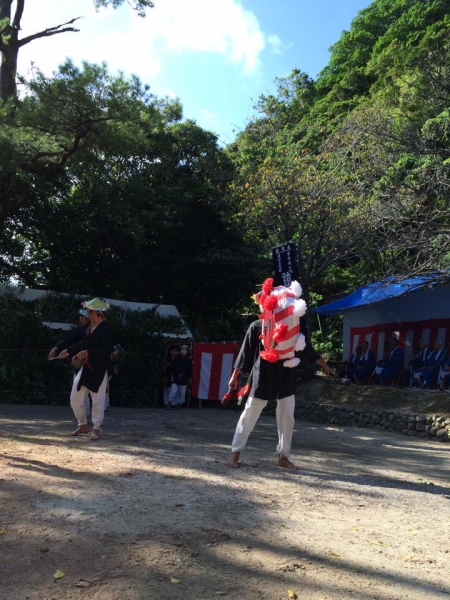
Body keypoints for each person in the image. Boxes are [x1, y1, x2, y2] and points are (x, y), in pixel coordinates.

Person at [227, 278, 332, 470]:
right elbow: (245, 354)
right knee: (250, 410)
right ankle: (235, 453)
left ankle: (283, 456)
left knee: (287, 415)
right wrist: (235, 376)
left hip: (286, 369)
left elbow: (306, 347)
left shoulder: (293, 326)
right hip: (264, 370)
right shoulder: (258, 326)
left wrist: (323, 364)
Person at [58, 298, 113, 441]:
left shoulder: (106, 329)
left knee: (97, 401)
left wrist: (88, 352)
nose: (87, 314)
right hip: (86, 368)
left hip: (99, 370)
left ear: (97, 313)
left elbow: (106, 351)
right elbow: (82, 344)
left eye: (90, 311)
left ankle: (96, 428)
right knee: (75, 398)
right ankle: (82, 424)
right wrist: (68, 351)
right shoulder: (90, 328)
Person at [48, 308, 92, 417]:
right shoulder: (95, 330)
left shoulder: (84, 330)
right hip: (94, 363)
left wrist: (56, 348)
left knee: (80, 389)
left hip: (83, 363)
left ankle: (83, 417)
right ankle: (87, 416)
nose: (80, 319)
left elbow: (69, 340)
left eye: (82, 317)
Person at [167, 345, 192, 409]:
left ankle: (180, 404)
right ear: (180, 351)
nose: (183, 351)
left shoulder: (188, 360)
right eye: (182, 350)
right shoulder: (176, 358)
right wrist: (172, 376)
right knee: (173, 391)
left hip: (184, 377)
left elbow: (189, 370)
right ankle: (169, 403)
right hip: (176, 376)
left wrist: (190, 378)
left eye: (185, 350)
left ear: (187, 352)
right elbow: (172, 368)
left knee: (183, 392)